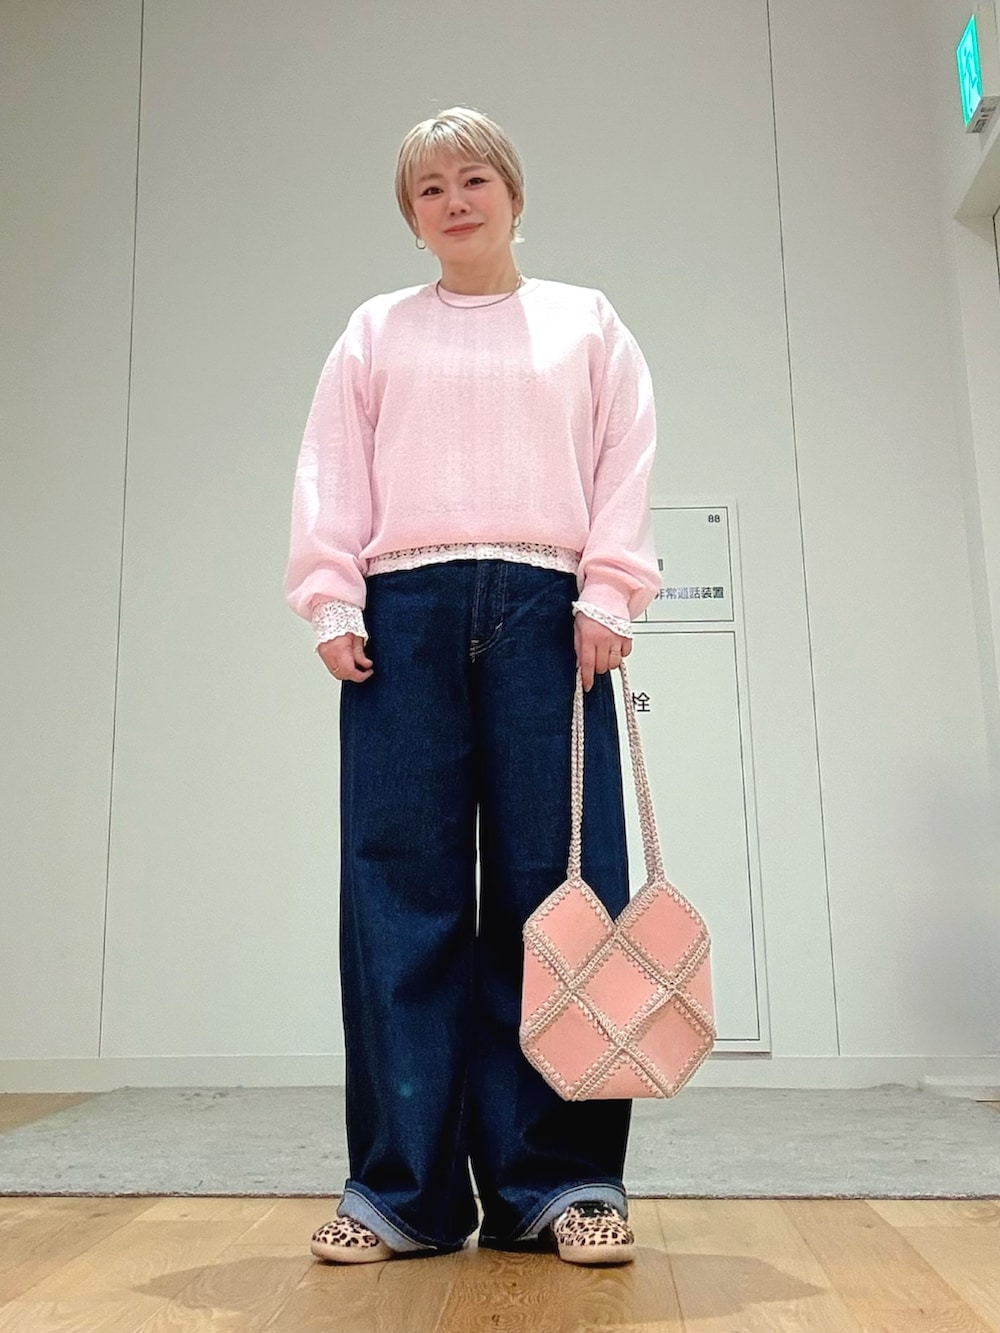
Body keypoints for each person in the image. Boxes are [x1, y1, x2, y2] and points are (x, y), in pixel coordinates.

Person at [284, 106, 661, 1267]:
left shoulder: (584, 321)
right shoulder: (375, 331)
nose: (454, 201)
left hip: (551, 614)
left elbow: (625, 454)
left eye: (473, 179)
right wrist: (332, 598)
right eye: (430, 189)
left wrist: (608, 591)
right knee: (400, 898)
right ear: (412, 217)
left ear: (513, 192)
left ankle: (562, 1181)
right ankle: (403, 1191)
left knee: (564, 896)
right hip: (403, 614)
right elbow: (331, 467)